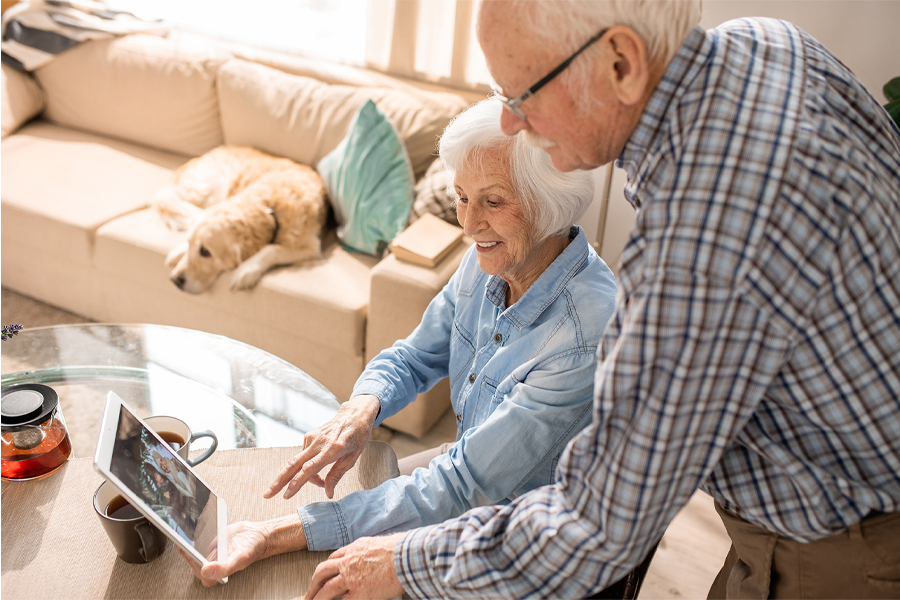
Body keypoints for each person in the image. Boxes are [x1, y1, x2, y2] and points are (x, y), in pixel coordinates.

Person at [304, 1, 900, 599]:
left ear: (621, 62)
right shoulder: (767, 42)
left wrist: (405, 566)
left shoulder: (698, 242)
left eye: (524, 94)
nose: (512, 124)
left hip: (840, 552)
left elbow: (597, 522)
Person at [183, 97, 619, 586]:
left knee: (310, 561)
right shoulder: (490, 258)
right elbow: (414, 357)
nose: (469, 224)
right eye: (461, 196)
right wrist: (361, 408)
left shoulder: (584, 339)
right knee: (313, 519)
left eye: (493, 201)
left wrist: (275, 534)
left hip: (521, 545)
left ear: (550, 202)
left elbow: (462, 486)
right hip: (469, 478)